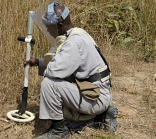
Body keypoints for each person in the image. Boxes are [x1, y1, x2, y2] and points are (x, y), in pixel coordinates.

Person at [26, 2, 118, 139]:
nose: (48, 30)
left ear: (59, 25)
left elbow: (53, 71)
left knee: (49, 84)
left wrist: (46, 63)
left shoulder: (73, 43)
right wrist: (39, 62)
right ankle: (102, 115)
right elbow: (65, 64)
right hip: (98, 92)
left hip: (96, 98)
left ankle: (59, 131)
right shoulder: (78, 33)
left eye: (49, 26)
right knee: (60, 80)